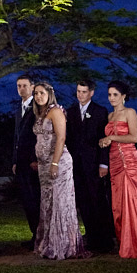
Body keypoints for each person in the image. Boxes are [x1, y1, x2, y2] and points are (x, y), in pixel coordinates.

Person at [98, 80, 137, 259]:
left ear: (124, 96)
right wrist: (104, 141)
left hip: (129, 161)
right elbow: (108, 140)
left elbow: (134, 137)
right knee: (118, 205)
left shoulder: (130, 112)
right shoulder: (109, 117)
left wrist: (112, 137)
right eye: (109, 95)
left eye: (115, 94)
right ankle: (125, 242)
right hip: (114, 162)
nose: (111, 98)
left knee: (133, 203)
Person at [32, 82, 85, 260]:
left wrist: (54, 163)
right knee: (47, 203)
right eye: (36, 93)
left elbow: (61, 137)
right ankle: (48, 243)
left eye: (42, 93)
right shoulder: (40, 113)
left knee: (60, 203)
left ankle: (63, 245)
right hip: (43, 164)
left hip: (59, 163)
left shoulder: (56, 111)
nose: (38, 96)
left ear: (49, 93)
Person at [65, 79, 113, 253]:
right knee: (83, 202)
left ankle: (105, 240)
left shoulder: (100, 111)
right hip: (76, 165)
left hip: (94, 164)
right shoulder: (70, 112)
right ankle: (91, 237)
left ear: (91, 93)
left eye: (84, 91)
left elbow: (103, 139)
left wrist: (103, 164)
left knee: (98, 200)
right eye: (78, 91)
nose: (80, 95)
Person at [11, 74, 40, 249]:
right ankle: (33, 234)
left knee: (36, 198)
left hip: (32, 162)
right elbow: (17, 137)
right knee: (27, 200)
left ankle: (39, 235)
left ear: (32, 86)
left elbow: (38, 136)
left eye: (24, 85)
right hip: (20, 162)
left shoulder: (36, 107)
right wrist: (14, 161)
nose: (21, 89)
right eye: (18, 86)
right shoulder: (18, 109)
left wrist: (35, 159)